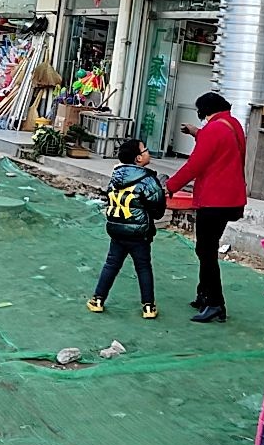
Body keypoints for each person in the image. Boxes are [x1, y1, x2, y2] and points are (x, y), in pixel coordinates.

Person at [167, 93, 247, 324]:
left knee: (206, 250)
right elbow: (217, 144)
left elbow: (195, 165)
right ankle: (204, 295)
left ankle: (214, 302)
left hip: (214, 200)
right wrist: (196, 133)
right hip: (230, 199)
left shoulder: (214, 130)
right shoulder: (232, 124)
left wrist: (170, 186)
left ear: (204, 111)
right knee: (207, 248)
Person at [88, 138, 167, 319]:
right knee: (143, 267)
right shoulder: (148, 180)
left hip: (117, 230)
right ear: (138, 158)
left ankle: (97, 300)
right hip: (139, 234)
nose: (148, 152)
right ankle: (148, 307)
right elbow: (158, 210)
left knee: (111, 264)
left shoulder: (115, 178)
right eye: (145, 150)